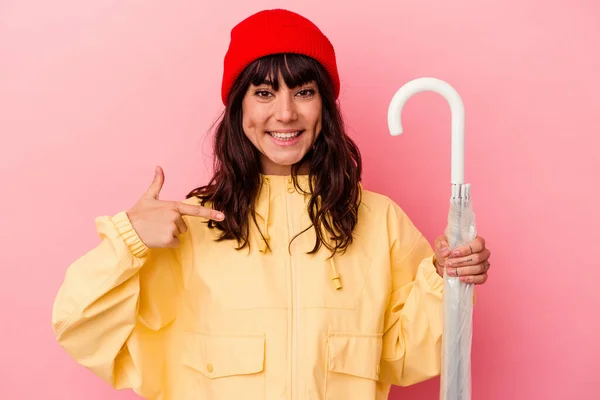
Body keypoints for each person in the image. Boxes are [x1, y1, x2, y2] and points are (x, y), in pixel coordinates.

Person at [51, 8, 491, 400]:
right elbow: (80, 327)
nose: (285, 113)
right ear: (238, 106)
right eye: (263, 93)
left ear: (325, 106)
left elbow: (405, 357)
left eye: (303, 92)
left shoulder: (379, 221)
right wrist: (128, 238)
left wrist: (445, 281)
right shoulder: (189, 226)